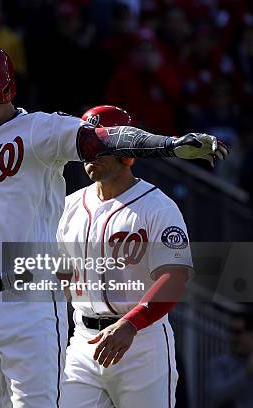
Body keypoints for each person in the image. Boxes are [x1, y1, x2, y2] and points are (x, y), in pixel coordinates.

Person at [0, 43, 227, 407]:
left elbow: (101, 138)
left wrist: (168, 145)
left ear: (3, 88)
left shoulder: (39, 130)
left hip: (26, 300)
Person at [57, 105, 192, 407]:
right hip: (83, 343)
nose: (91, 154)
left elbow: (175, 276)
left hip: (141, 343)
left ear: (127, 151)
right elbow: (61, 276)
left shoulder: (158, 206)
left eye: (101, 146)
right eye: (86, 145)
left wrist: (131, 324)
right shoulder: (68, 206)